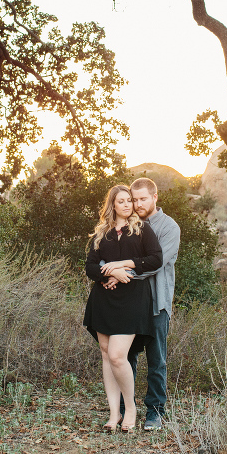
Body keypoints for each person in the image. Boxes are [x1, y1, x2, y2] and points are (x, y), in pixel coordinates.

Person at [83, 184, 163, 432]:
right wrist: (110, 272)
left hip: (132, 301)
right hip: (103, 301)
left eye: (130, 200)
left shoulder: (142, 229)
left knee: (118, 356)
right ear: (113, 205)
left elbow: (155, 259)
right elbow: (90, 267)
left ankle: (131, 408)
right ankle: (113, 414)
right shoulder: (102, 233)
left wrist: (123, 266)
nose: (128, 205)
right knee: (107, 355)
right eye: (122, 201)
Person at [106, 177, 180, 431]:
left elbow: (155, 264)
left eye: (142, 199)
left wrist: (120, 275)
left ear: (155, 197)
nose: (137, 204)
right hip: (131, 302)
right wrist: (113, 272)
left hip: (157, 303)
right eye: (134, 199)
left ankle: (155, 412)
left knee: (156, 359)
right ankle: (127, 409)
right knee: (127, 356)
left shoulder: (170, 228)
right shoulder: (129, 225)